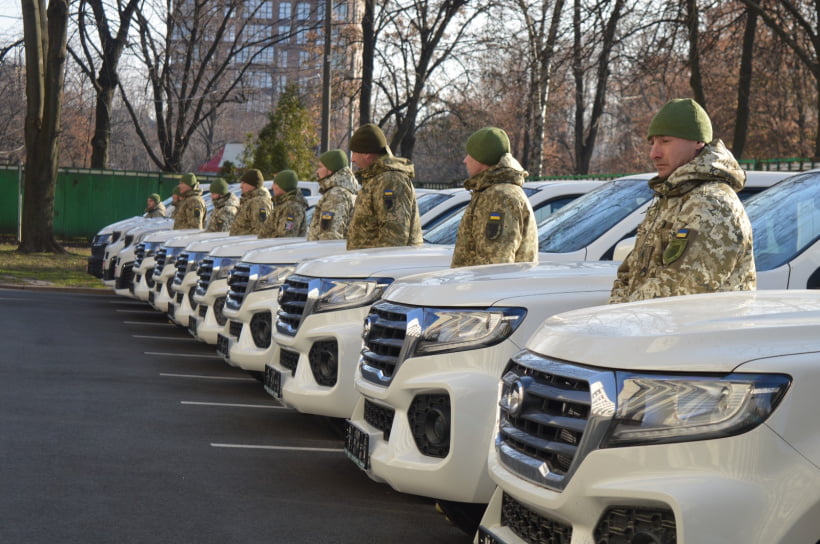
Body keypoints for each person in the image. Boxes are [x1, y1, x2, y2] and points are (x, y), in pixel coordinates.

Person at [609, 98, 755, 303]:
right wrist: (615, 312)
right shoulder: (672, 198)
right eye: (652, 143)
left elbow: (680, 288)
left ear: (697, 142)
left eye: (665, 141)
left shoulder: (712, 203)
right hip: (657, 329)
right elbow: (628, 274)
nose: (654, 153)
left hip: (698, 333)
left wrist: (623, 316)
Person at [450, 127, 538, 268]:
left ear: (482, 158)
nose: (465, 160)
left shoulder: (500, 197)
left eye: (470, 154)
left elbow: (495, 265)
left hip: (487, 288)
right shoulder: (493, 191)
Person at [346, 123, 422, 250]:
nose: (352, 159)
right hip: (369, 265)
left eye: (355, 152)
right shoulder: (376, 179)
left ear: (367, 154)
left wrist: (379, 267)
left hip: (379, 266)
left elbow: (394, 237)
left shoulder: (390, 180)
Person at [307, 149, 359, 241]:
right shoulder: (345, 191)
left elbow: (329, 236)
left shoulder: (336, 195)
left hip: (323, 253)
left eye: (320, 167)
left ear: (330, 169)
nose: (317, 171)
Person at [259, 169, 309, 238]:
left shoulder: (292, 207)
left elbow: (285, 236)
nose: (272, 187)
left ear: (282, 186)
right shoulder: (282, 204)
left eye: (275, 184)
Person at [229, 168, 273, 235]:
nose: (241, 186)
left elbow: (260, 231)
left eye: (244, 183)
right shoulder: (251, 201)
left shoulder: (259, 203)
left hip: (247, 244)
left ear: (253, 185)